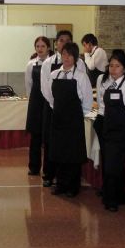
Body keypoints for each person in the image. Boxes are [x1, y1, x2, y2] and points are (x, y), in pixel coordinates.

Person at [47, 41, 93, 197]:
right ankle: (60, 184)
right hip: (58, 119)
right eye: (63, 54)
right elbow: (50, 98)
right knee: (59, 153)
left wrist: (76, 115)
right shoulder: (54, 75)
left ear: (75, 57)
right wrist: (59, 110)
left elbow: (87, 102)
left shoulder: (81, 76)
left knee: (73, 154)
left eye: (69, 55)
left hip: (74, 120)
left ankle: (73, 186)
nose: (66, 57)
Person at [40, 30, 84, 187]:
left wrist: (76, 111)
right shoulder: (48, 64)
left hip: (72, 114)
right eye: (61, 40)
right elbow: (45, 89)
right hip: (54, 109)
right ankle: (50, 176)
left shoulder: (80, 66)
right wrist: (55, 105)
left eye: (67, 40)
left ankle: (71, 184)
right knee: (53, 144)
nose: (64, 43)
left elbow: (84, 94)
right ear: (56, 43)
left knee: (71, 149)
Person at [97, 50, 125, 211]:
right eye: (111, 66)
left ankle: (111, 200)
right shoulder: (106, 83)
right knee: (111, 165)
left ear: (124, 68)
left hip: (121, 132)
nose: (113, 69)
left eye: (117, 66)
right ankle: (117, 196)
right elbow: (102, 104)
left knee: (113, 166)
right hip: (108, 129)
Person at [25, 36, 51, 176]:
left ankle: (48, 170)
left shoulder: (53, 63)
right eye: (37, 46)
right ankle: (34, 167)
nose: (40, 49)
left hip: (48, 103)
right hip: (35, 102)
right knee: (35, 136)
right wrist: (32, 100)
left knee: (47, 137)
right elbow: (28, 84)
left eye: (42, 46)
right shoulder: (31, 64)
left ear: (48, 48)